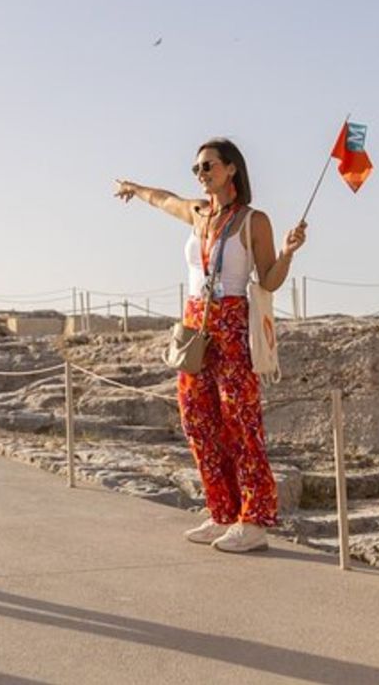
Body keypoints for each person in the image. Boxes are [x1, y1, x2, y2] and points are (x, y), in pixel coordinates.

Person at [115, 138, 306, 553]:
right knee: (197, 421)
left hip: (232, 323)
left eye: (208, 166)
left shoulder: (253, 220)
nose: (200, 174)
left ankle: (253, 521)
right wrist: (134, 188)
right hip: (194, 324)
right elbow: (163, 199)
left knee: (241, 423)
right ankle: (222, 511)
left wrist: (288, 253)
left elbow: (269, 280)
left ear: (231, 168)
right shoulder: (198, 213)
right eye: (196, 168)